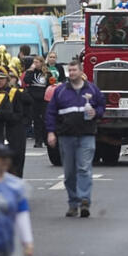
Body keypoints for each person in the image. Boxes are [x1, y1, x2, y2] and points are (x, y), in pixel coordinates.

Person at [45, 59, 105, 218]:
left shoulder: (92, 89)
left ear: (80, 71)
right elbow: (51, 113)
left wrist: (96, 112)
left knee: (84, 168)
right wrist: (51, 132)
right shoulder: (60, 91)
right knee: (70, 173)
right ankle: (73, 203)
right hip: (66, 136)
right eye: (69, 71)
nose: (71, 73)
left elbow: (101, 105)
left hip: (87, 135)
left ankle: (84, 200)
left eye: (74, 70)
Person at [22, 57, 50, 148]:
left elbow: (49, 85)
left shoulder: (47, 73)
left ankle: (46, 139)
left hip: (43, 99)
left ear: (41, 63)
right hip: (33, 99)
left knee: (45, 120)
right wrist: (30, 70)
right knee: (36, 120)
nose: (35, 64)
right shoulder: (31, 72)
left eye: (37, 62)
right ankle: (38, 140)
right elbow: (26, 80)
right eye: (34, 62)